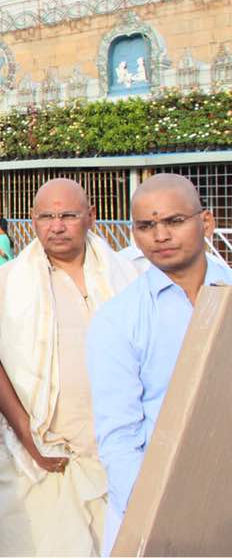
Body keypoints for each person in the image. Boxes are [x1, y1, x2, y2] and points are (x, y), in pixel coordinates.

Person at [0, 178, 139, 556]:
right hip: (36, 458)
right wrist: (29, 436)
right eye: (46, 217)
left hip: (114, 451)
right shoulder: (9, 280)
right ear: (32, 219)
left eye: (68, 216)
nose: (56, 226)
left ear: (91, 216)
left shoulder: (126, 276)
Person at [87, 174, 229, 553]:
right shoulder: (118, 319)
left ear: (206, 222)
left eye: (174, 221)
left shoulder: (228, 293)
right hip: (159, 512)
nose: (160, 235)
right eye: (146, 226)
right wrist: (160, 516)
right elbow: (118, 436)